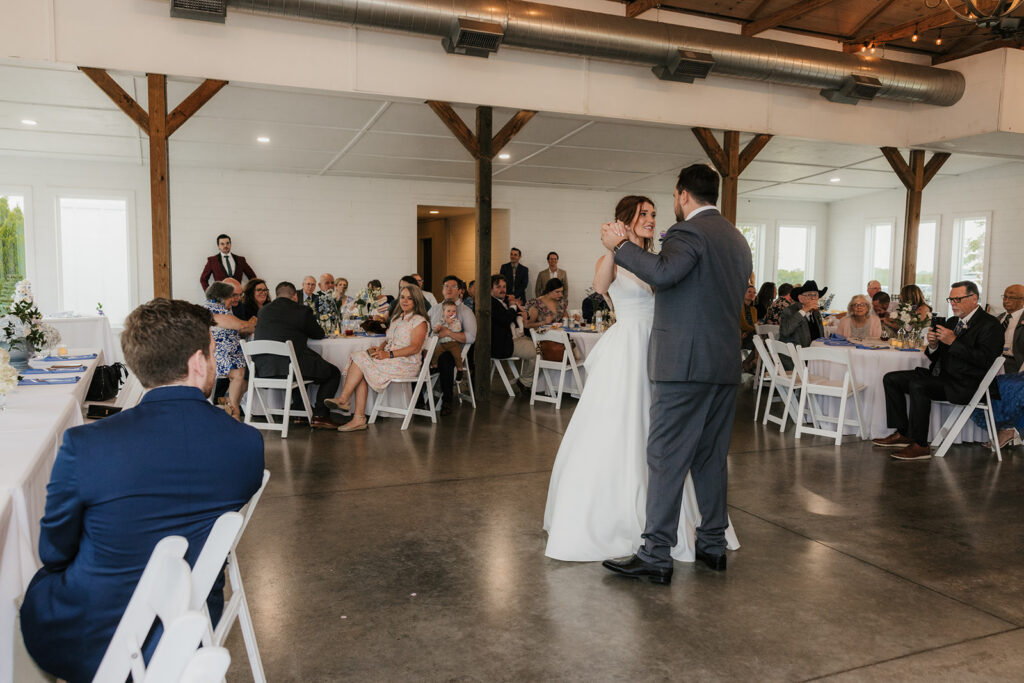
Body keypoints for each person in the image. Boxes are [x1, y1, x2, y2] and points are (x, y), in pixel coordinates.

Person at [20, 298, 264, 682]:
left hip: (90, 637)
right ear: (198, 362)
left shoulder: (85, 444)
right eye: (214, 353)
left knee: (33, 584)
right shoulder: (247, 445)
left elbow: (53, 551)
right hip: (188, 625)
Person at [546, 194, 739, 567]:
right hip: (631, 347)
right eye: (643, 214)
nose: (651, 219)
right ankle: (627, 518)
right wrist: (613, 249)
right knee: (628, 425)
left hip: (667, 347)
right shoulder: (616, 257)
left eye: (653, 213)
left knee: (669, 436)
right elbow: (600, 287)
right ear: (625, 220)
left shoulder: (664, 257)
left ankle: (666, 530)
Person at [596, 165, 750, 583]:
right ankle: (713, 544)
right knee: (710, 457)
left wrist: (621, 246)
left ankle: (655, 554)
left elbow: (664, 273)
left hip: (684, 365)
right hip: (722, 365)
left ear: (682, 195)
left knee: (665, 456)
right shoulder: (737, 239)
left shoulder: (686, 234)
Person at [876, 281, 1004, 461]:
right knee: (891, 379)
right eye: (951, 299)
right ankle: (903, 432)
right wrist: (934, 346)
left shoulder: (990, 325)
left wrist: (953, 341)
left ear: (974, 298)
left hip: (968, 384)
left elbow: (984, 360)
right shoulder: (952, 322)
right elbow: (938, 357)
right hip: (943, 377)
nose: (953, 303)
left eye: (958, 299)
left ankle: (920, 445)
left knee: (919, 385)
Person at [327, 285, 429, 432]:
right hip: (392, 358)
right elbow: (388, 340)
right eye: (402, 297)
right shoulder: (397, 318)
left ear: (416, 301)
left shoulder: (419, 321)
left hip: (406, 363)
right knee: (361, 357)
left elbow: (415, 348)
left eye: (410, 298)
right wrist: (381, 348)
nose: (405, 301)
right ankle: (357, 417)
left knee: (360, 359)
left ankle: (346, 402)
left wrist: (388, 354)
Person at [253, 281, 340, 429]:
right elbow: (318, 334)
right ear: (294, 296)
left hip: (262, 368)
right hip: (289, 367)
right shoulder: (301, 311)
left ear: (276, 295)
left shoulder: (263, 311)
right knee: (333, 373)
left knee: (300, 365)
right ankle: (321, 416)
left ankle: (299, 412)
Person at [203, 281, 255, 419]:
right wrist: (252, 324)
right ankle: (234, 410)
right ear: (222, 296)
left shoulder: (221, 309)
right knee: (240, 374)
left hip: (230, 353)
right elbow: (241, 325)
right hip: (217, 355)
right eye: (231, 296)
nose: (233, 299)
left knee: (247, 375)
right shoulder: (214, 311)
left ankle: (230, 404)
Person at [429, 275, 477, 414]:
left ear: (460, 290)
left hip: (454, 350)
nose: (449, 289)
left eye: (453, 286)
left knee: (445, 359)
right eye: (446, 286)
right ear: (442, 290)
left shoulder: (465, 311)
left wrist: (449, 333)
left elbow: (471, 336)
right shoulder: (434, 309)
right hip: (433, 347)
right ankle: (418, 399)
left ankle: (447, 400)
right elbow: (426, 330)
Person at [489, 274, 535, 388]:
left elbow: (511, 318)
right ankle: (526, 382)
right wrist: (513, 307)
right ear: (490, 289)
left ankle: (528, 380)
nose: (502, 290)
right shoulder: (491, 303)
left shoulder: (501, 301)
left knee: (540, 344)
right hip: (502, 344)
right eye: (498, 287)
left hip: (513, 338)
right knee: (537, 352)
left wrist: (523, 313)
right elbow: (505, 319)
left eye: (504, 287)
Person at [779, 280, 827, 351]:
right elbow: (785, 332)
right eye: (809, 295)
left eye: (815, 295)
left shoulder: (816, 313)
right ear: (801, 298)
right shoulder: (789, 311)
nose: (813, 298)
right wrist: (804, 310)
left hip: (814, 355)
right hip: (795, 357)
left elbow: (821, 337)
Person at [430, 299, 464, 377]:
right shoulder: (441, 321)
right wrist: (438, 328)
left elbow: (457, 329)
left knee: (457, 356)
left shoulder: (456, 321)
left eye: (453, 311)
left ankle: (460, 370)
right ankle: (434, 366)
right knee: (435, 353)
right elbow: (435, 331)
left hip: (453, 344)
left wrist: (449, 325)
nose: (451, 313)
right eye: (448, 311)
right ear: (443, 312)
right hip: (442, 344)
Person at [997, 284, 1024, 373]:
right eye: (1005, 297)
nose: (1006, 301)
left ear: (1022, 300)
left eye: (1011, 298)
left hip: (1015, 365)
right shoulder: (999, 318)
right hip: (994, 363)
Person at [740, 284, 758, 373]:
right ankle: (751, 362)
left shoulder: (754, 309)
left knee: (762, 340)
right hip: (740, 334)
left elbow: (754, 325)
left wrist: (748, 331)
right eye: (749, 292)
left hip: (749, 334)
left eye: (754, 293)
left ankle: (748, 362)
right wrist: (747, 331)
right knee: (760, 339)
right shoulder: (739, 306)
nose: (752, 294)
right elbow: (742, 323)